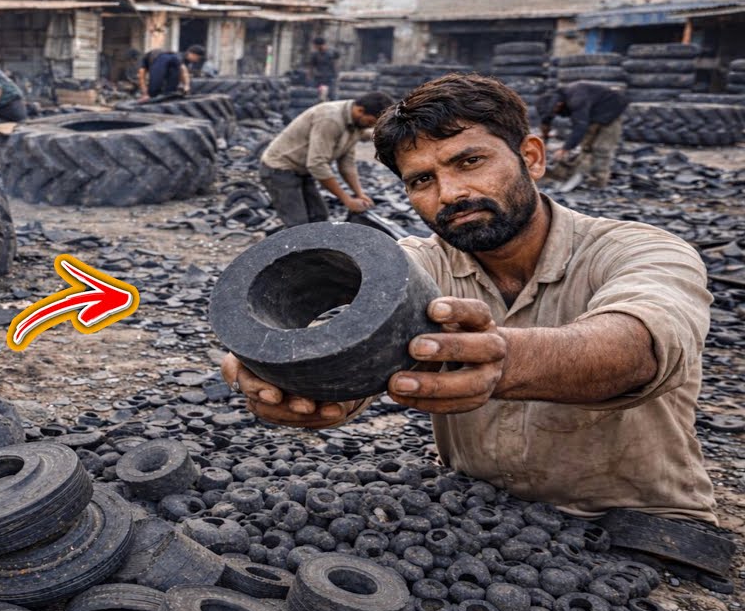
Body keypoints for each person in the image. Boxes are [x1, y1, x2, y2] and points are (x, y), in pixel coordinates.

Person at [223, 74, 715, 523]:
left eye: (470, 161)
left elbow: (641, 345)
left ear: (532, 157)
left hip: (641, 520)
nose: (451, 193)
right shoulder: (415, 266)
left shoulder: (641, 249)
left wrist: (507, 361)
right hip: (477, 512)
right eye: (422, 180)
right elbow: (360, 355)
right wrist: (304, 383)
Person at [259, 91, 395, 227]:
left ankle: (313, 247)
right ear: (360, 110)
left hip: (302, 170)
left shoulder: (355, 124)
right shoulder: (330, 119)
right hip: (279, 170)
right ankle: (288, 247)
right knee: (297, 224)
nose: (370, 126)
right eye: (370, 122)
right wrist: (347, 200)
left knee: (319, 216)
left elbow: (347, 166)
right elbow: (317, 164)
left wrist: (359, 194)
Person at [536, 82, 629, 189]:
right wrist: (545, 137)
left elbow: (580, 127)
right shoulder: (549, 102)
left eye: (556, 111)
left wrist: (565, 149)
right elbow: (546, 121)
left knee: (601, 148)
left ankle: (598, 181)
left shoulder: (577, 100)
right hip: (592, 109)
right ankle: (569, 174)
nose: (556, 113)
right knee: (586, 147)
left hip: (612, 108)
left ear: (560, 104)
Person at [137, 46, 204, 101]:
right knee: (170, 92)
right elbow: (183, 70)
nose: (197, 61)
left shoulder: (146, 58)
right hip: (171, 57)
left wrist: (146, 94)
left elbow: (141, 76)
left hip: (161, 58)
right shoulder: (178, 56)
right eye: (197, 58)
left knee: (154, 90)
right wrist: (186, 85)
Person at [308, 37, 340, 101]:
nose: (314, 47)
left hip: (331, 78)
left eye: (315, 45)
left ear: (319, 45)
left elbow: (336, 63)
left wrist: (337, 75)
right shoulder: (315, 54)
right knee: (319, 97)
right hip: (319, 78)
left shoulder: (332, 52)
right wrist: (310, 77)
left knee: (332, 96)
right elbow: (311, 66)